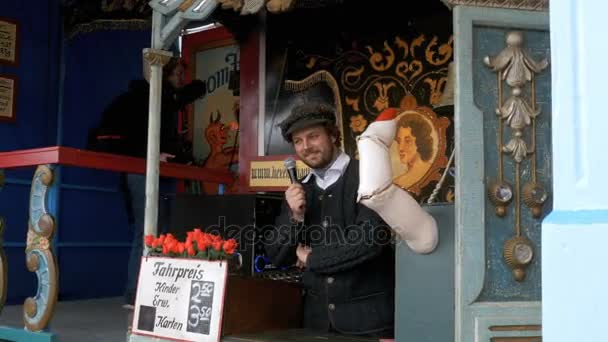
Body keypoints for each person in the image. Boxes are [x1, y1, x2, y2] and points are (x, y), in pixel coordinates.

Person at [266, 103, 395, 338]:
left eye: (313, 136)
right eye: (298, 141)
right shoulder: (298, 189)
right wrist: (295, 217)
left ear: (333, 135)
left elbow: (368, 242)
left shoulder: (368, 175)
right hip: (316, 324)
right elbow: (276, 255)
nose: (306, 147)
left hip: (369, 324)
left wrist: (311, 258)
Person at [90, 57, 207, 307]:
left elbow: (167, 135)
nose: (181, 80)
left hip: (160, 171)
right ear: (164, 75)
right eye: (177, 74)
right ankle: (135, 293)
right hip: (141, 170)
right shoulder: (138, 99)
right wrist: (149, 155)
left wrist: (180, 158)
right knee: (147, 231)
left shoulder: (165, 101)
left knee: (161, 230)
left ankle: (154, 291)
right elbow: (112, 137)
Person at [393, 113, 434, 189]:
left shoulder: (433, 171)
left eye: (407, 141)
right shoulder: (397, 182)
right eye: (399, 141)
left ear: (420, 142)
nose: (400, 148)